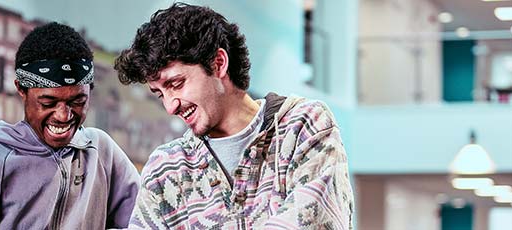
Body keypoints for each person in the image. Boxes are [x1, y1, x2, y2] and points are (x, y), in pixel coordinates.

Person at [114, 3, 355, 229]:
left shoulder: (303, 127)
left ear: (218, 63)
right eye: (159, 94)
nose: (170, 106)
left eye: (176, 84)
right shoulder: (166, 168)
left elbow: (315, 221)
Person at [0, 22, 139, 229]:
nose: (63, 115)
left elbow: (147, 221)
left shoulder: (101, 152)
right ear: (21, 89)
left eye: (77, 102)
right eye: (48, 103)